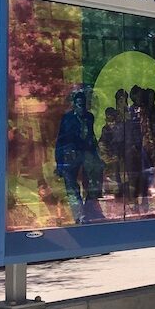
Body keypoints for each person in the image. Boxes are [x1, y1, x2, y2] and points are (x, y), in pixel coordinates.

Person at [54, 89, 103, 224]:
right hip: (70, 155)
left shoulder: (89, 117)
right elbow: (61, 139)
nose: (82, 107)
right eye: (79, 104)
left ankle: (88, 209)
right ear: (74, 105)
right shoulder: (67, 118)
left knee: (92, 183)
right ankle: (79, 216)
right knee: (71, 186)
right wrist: (59, 161)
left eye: (84, 104)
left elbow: (91, 137)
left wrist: (97, 155)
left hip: (86, 154)